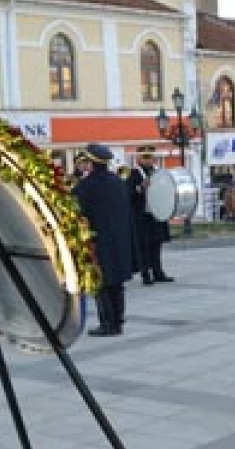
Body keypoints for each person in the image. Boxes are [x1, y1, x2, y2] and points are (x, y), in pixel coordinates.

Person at [73, 144, 133, 336]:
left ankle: (108, 324)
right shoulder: (118, 182)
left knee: (102, 284)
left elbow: (76, 211)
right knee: (117, 283)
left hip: (97, 240)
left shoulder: (86, 185)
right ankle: (118, 321)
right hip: (118, 239)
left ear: (91, 163)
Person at [128, 147, 174, 285]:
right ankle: (145, 275)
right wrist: (140, 187)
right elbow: (128, 194)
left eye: (150, 157)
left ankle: (158, 272)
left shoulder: (158, 172)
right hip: (141, 216)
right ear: (139, 159)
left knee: (156, 244)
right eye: (145, 157)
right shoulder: (133, 174)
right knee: (144, 245)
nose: (148, 160)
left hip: (156, 213)